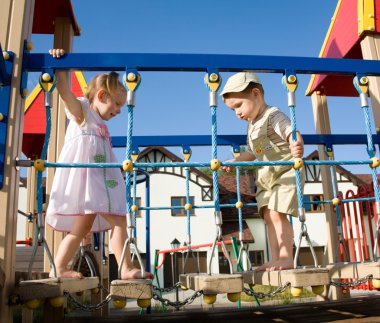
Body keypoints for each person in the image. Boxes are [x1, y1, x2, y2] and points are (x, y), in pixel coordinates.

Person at [46, 49, 152, 279]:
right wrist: (63, 64)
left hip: (102, 178)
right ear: (102, 95)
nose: (118, 110)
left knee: (114, 221)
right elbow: (64, 92)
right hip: (87, 180)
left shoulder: (100, 124)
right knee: (91, 225)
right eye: (116, 103)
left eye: (122, 106)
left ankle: (121, 268)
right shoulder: (82, 111)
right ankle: (63, 267)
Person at [220, 71, 304, 271]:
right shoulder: (251, 125)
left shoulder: (272, 115)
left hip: (285, 170)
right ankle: (276, 257)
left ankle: (285, 257)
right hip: (266, 176)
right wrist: (237, 160)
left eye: (239, 106)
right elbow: (252, 152)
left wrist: (296, 142)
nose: (237, 113)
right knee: (268, 215)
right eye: (232, 110)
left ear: (256, 94)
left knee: (277, 213)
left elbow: (288, 130)